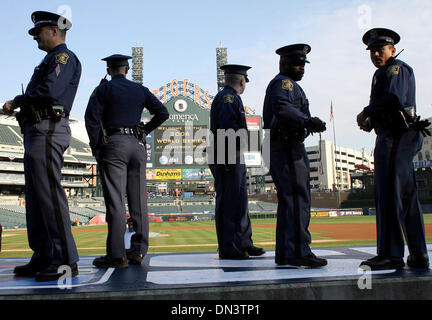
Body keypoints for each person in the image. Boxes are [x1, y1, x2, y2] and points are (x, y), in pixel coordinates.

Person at [2, 11, 81, 281]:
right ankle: (44, 255)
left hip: (49, 127)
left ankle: (65, 260)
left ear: (55, 31)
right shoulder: (48, 60)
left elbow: (50, 91)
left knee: (48, 195)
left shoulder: (63, 57)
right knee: (36, 199)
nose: (35, 35)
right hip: (37, 129)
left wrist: (18, 98)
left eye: (40, 31)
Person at [85, 54, 169, 268]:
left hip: (114, 144)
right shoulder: (140, 89)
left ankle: (117, 256)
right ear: (127, 69)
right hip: (137, 145)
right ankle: (138, 252)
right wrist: (144, 130)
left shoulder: (103, 89)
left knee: (116, 202)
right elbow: (163, 112)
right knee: (139, 201)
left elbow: (91, 118)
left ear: (109, 70)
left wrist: (97, 146)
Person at [357, 28, 430, 270]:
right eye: (372, 50)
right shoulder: (383, 73)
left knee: (389, 194)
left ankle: (390, 253)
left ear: (392, 50)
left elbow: (393, 98)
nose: (376, 53)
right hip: (395, 135)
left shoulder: (394, 69)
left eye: (381, 49)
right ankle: (418, 254)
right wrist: (372, 120)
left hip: (397, 136)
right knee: (406, 197)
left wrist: (367, 113)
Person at [262, 44, 327, 267]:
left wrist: (307, 125)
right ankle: (298, 251)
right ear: (284, 64)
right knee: (298, 198)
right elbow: (283, 109)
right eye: (297, 63)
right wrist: (309, 122)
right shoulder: (284, 83)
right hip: (286, 144)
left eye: (303, 64)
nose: (302, 68)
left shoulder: (290, 86)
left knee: (290, 200)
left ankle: (286, 252)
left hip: (283, 144)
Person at [208, 64, 265, 260]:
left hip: (233, 154)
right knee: (230, 201)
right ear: (242, 81)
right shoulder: (228, 97)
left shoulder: (231, 97)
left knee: (240, 201)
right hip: (227, 154)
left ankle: (243, 243)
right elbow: (227, 129)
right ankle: (228, 247)